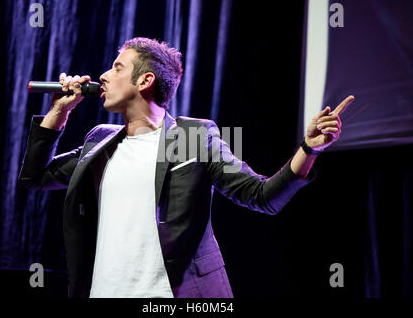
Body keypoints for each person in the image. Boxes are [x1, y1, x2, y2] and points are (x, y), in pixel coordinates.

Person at [18, 37, 354, 298]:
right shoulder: (100, 142)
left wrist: (308, 148)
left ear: (145, 80)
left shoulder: (193, 136)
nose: (104, 75)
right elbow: (35, 178)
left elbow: (261, 195)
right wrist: (60, 111)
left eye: (118, 67)